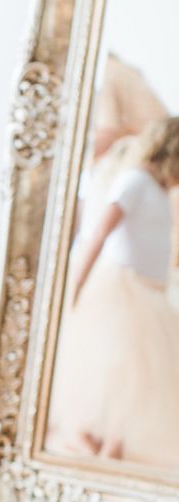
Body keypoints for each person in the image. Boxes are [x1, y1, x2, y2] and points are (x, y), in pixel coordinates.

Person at [48, 118, 179, 467]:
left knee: (139, 383)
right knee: (119, 373)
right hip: (122, 290)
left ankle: (110, 448)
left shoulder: (160, 191)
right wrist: (77, 283)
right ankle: (98, 447)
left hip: (150, 293)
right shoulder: (133, 181)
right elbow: (99, 235)